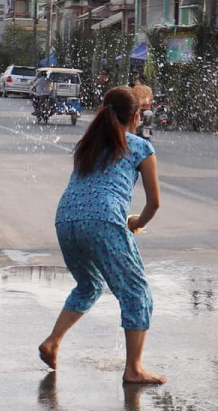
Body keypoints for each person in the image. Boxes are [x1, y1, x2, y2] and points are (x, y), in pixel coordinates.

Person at [38, 87, 164, 385]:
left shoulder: (88, 143)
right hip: (103, 220)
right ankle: (134, 369)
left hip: (66, 218)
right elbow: (154, 203)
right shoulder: (140, 146)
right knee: (136, 293)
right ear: (135, 116)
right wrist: (137, 222)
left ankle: (53, 341)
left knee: (89, 285)